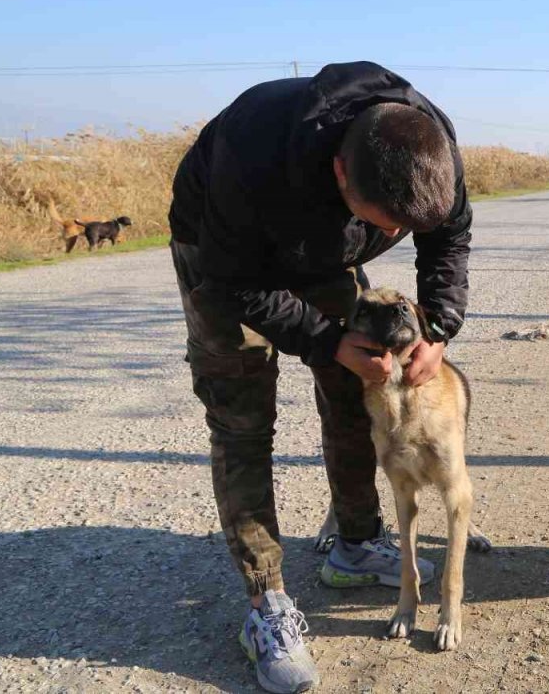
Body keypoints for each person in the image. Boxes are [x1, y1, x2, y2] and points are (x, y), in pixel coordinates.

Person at [168, 61, 471, 693]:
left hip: (326, 251)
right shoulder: (251, 155)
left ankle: (356, 544)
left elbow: (447, 240)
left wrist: (439, 327)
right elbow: (231, 283)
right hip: (226, 258)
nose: (392, 236)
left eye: (402, 229)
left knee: (359, 388)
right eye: (383, 222)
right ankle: (267, 604)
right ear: (340, 172)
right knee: (243, 416)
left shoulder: (429, 143)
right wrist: (326, 340)